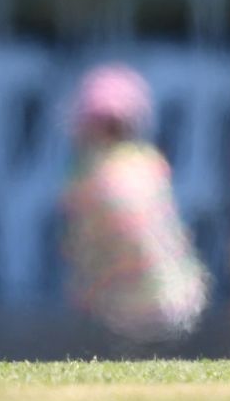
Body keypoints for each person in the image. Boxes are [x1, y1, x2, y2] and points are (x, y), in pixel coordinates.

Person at [59, 64, 208, 345]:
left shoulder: (89, 175)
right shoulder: (149, 162)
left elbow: (83, 251)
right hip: (183, 300)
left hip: (122, 311)